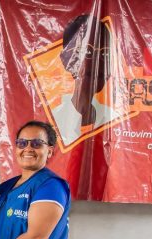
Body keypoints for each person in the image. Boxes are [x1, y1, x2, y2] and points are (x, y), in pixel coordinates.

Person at [51, 15, 116, 146]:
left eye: (105, 54)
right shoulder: (52, 121)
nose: (98, 64)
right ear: (67, 59)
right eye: (88, 52)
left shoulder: (114, 120)